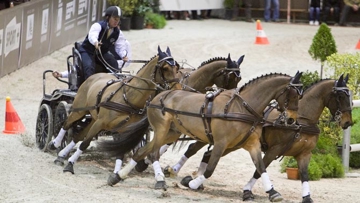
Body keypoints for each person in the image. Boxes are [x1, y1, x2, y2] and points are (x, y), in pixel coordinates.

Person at [77, 6, 129, 80]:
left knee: (114, 64)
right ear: (108, 17)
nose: (117, 21)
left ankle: (115, 84)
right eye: (115, 19)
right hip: (88, 52)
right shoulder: (98, 26)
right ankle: (88, 87)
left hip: (102, 53)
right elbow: (92, 36)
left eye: (118, 19)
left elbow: (119, 47)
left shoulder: (118, 32)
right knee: (89, 67)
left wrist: (123, 55)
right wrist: (95, 42)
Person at [52, 39, 131, 78]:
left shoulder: (124, 44)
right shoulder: (92, 50)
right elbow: (78, 70)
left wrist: (117, 63)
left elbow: (127, 62)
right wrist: (62, 74)